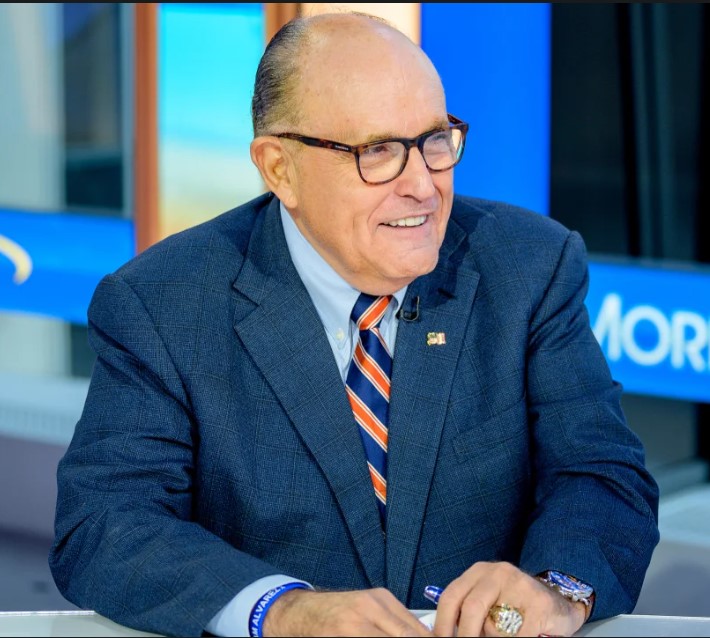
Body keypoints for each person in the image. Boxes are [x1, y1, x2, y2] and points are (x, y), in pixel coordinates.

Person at [49, 11, 660, 638]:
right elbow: (105, 524)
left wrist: (555, 589)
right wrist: (282, 611)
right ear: (279, 168)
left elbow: (601, 475)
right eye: (379, 152)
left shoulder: (528, 265)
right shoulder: (163, 303)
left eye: (435, 140)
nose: (423, 185)